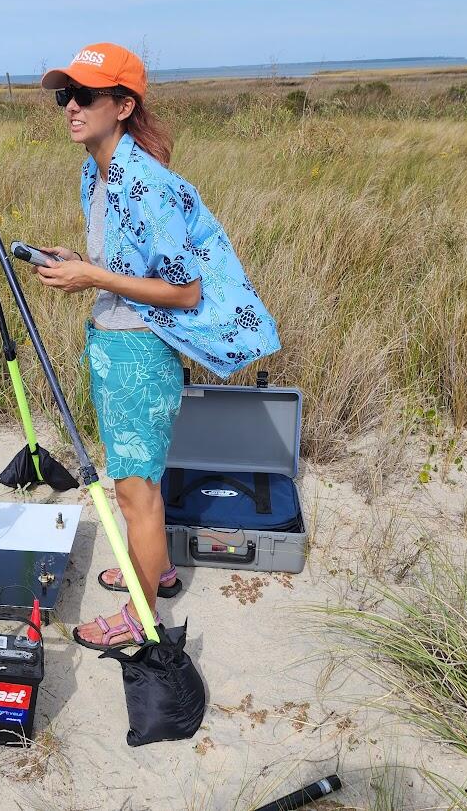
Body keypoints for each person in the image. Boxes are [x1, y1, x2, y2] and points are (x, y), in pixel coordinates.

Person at [35, 43, 280, 648]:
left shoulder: (148, 182)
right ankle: (160, 571)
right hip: (114, 341)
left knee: (134, 491)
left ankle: (141, 621)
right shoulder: (97, 169)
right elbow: (129, 262)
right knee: (136, 478)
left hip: (140, 352)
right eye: (66, 94)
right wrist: (83, 262)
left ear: (122, 105)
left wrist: (92, 278)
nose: (71, 106)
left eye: (85, 95)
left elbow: (186, 291)